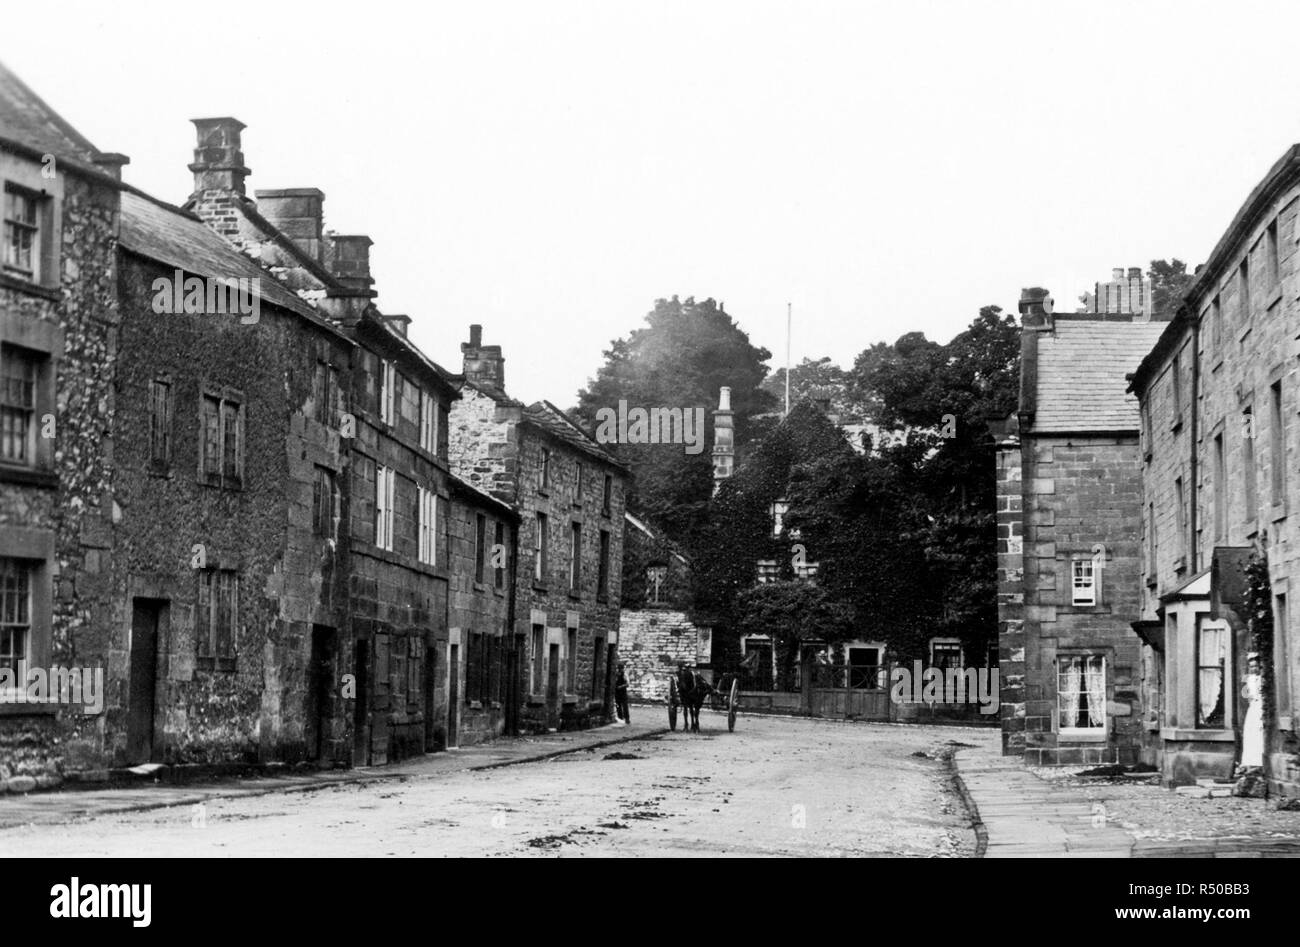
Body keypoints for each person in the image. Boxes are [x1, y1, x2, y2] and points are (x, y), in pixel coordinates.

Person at [1240, 653, 1264, 770]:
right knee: (1250, 732)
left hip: (1260, 706)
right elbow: (1244, 694)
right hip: (1253, 707)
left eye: (1255, 666)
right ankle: (1250, 761)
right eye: (1251, 666)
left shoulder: (1262, 679)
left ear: (1260, 666)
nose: (1253, 669)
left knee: (1259, 733)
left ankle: (1259, 761)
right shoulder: (1248, 679)